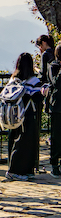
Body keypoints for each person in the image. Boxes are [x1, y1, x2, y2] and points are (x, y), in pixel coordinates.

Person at [4, 53, 46, 181]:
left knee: (15, 141)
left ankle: (16, 169)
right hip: (28, 114)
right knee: (27, 143)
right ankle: (20, 170)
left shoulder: (13, 80)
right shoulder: (33, 81)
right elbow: (38, 97)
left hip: (13, 115)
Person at [48, 45, 61, 178]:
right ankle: (54, 163)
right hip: (57, 106)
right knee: (56, 137)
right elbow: (56, 83)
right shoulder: (53, 66)